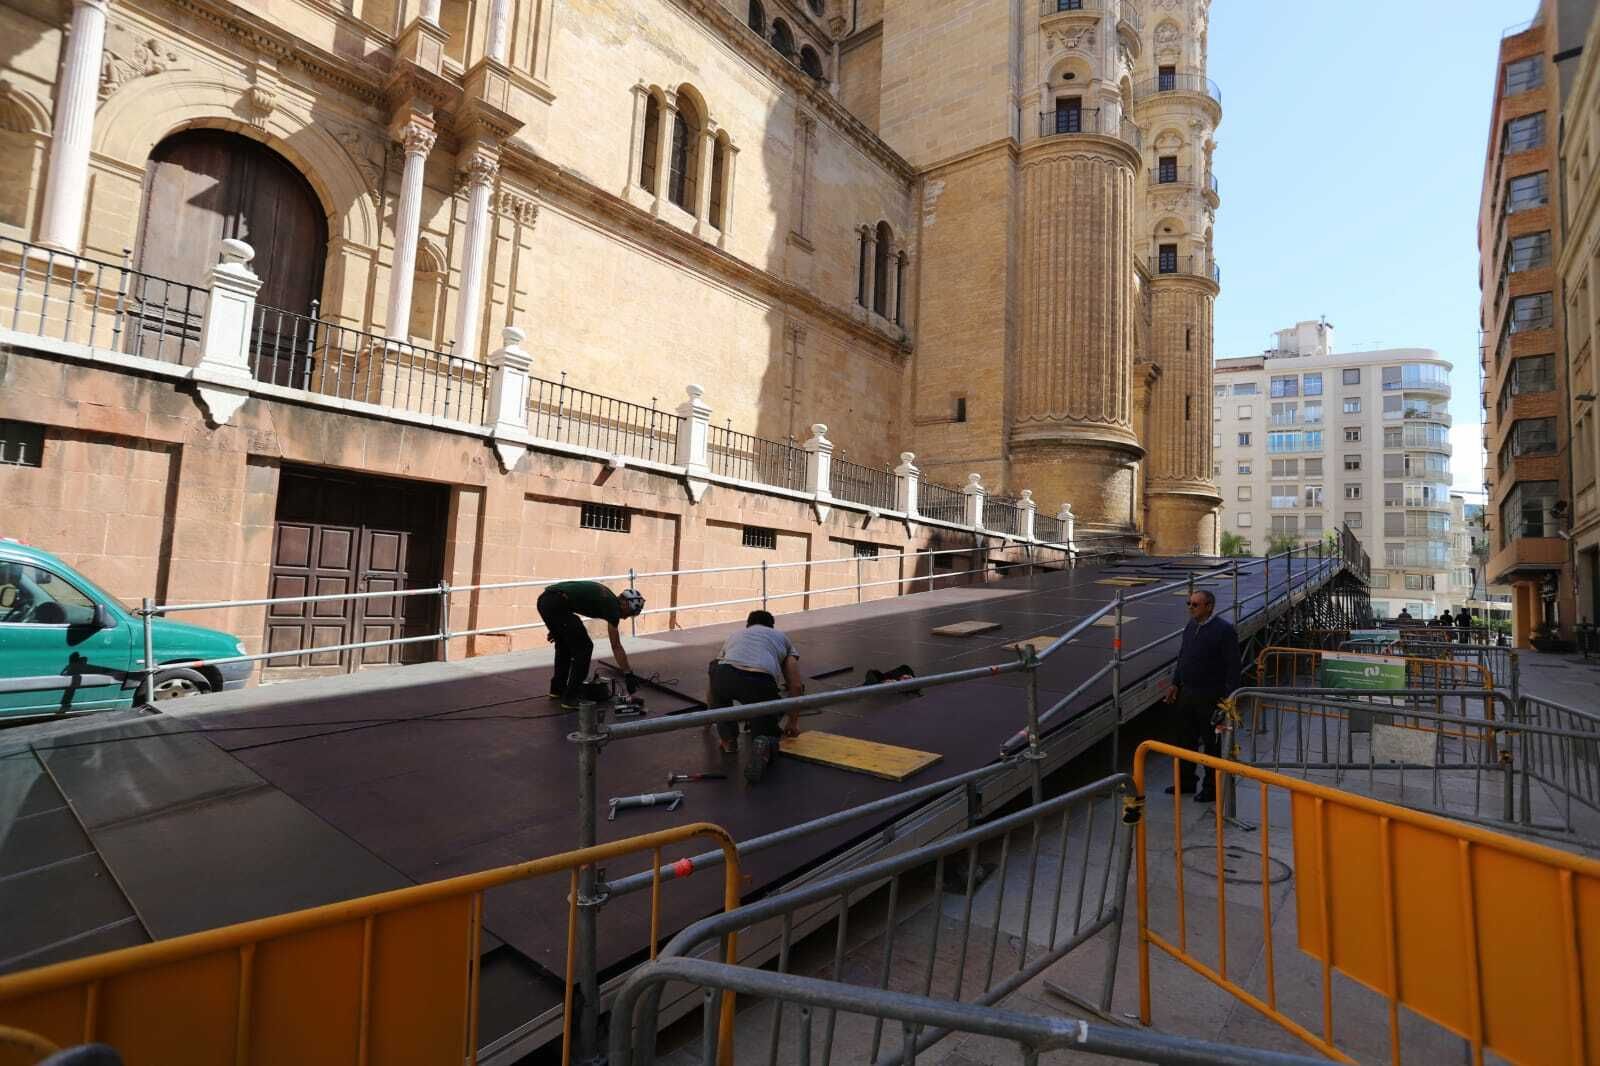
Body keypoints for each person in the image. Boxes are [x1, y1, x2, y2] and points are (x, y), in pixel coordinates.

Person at [708, 610, 805, 783]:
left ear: (748, 625)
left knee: (715, 669)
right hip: (759, 681)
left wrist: (711, 716)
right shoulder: (781, 637)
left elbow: (711, 688)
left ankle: (728, 741)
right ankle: (763, 742)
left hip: (724, 675)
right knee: (767, 729)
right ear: (772, 626)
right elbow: (796, 685)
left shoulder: (736, 635)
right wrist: (792, 722)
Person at [1163, 589, 1241, 803]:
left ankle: (1211, 788)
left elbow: (1233, 667)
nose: (1190, 608)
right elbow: (1183, 656)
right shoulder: (1191, 626)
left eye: (1195, 604)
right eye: (1189, 603)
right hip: (1188, 692)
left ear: (1209, 607)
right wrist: (1175, 683)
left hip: (1211, 696)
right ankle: (1186, 781)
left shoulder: (1224, 631)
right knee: (1184, 739)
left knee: (1211, 743)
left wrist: (1228, 700)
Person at [536, 581, 645, 709]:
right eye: (630, 613)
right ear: (625, 603)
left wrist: (558, 627)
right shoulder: (613, 608)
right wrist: (628, 674)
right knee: (585, 648)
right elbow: (616, 646)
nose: (626, 617)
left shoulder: (608, 597)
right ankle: (571, 698)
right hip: (557, 604)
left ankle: (557, 689)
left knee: (564, 645)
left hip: (546, 601)